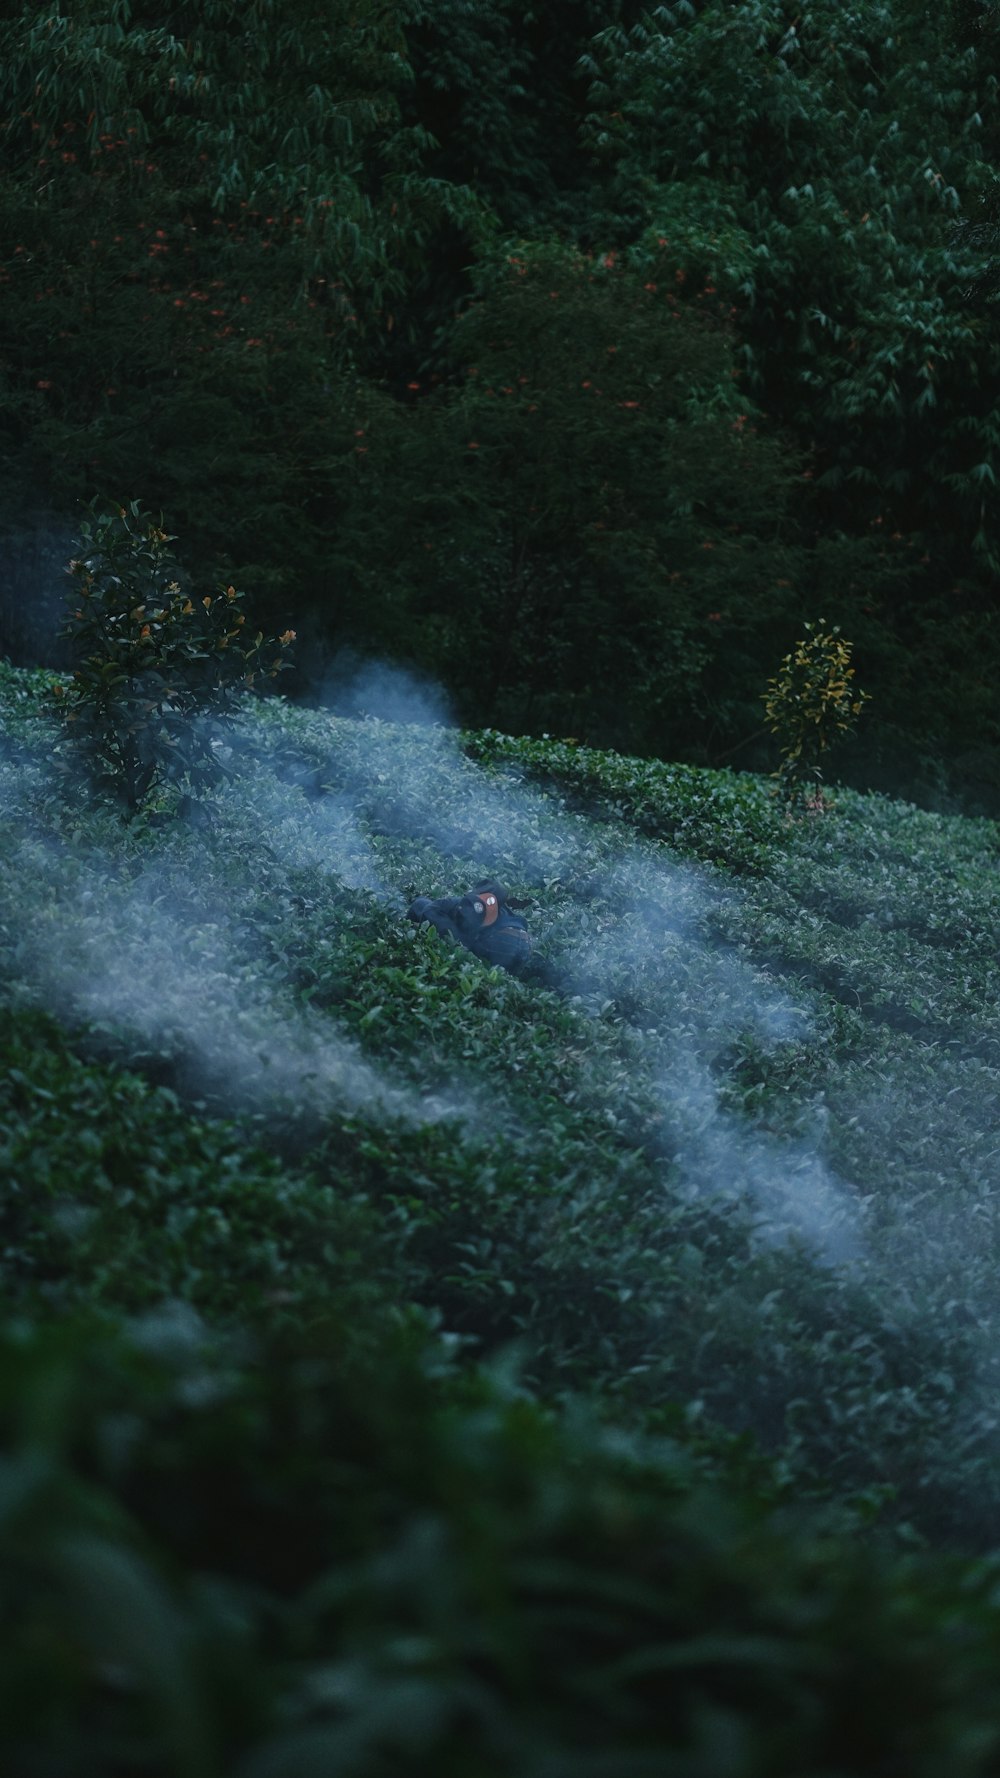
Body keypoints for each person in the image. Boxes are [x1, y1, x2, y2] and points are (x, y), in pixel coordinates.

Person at [407, 878, 532, 974]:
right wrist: (454, 930)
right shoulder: (467, 903)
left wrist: (460, 942)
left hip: (484, 955)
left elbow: (487, 962)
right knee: (421, 903)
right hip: (469, 936)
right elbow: (431, 908)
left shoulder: (511, 934)